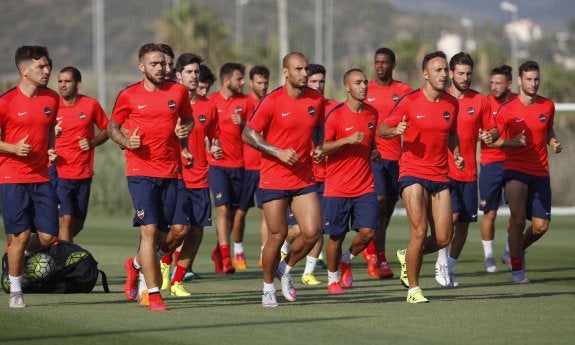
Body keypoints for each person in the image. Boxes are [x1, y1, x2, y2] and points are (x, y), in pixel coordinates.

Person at [107, 43, 194, 311]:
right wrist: (126, 141)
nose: (161, 68)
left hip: (172, 171)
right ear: (142, 66)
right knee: (150, 230)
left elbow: (188, 120)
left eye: (164, 64)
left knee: (179, 232)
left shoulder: (178, 92)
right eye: (155, 64)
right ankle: (153, 293)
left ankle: (135, 265)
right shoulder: (129, 95)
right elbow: (112, 127)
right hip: (140, 171)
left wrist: (184, 133)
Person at [378, 51, 463, 303]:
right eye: (438, 70)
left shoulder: (452, 104)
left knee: (443, 238)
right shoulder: (409, 101)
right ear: (425, 74)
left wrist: (456, 152)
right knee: (419, 231)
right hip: (412, 173)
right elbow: (382, 129)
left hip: (440, 175)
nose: (444, 74)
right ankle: (414, 290)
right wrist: (396, 130)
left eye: (445, 69)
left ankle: (408, 255)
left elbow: (451, 133)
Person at [242, 52, 324, 308]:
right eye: (298, 69)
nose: (304, 74)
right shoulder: (272, 101)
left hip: (303, 178)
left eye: (306, 69)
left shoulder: (317, 100)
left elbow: (319, 125)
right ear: (286, 72)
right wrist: (277, 151)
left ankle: (285, 269)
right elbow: (247, 134)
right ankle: (267, 288)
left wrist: (319, 146)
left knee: (312, 233)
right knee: (276, 238)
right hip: (274, 179)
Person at [490, 60, 562, 283]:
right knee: (518, 220)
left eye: (536, 79)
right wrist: (508, 141)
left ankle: (512, 252)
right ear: (520, 81)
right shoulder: (507, 110)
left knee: (541, 227)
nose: (533, 83)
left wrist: (553, 142)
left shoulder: (547, 105)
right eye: (529, 79)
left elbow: (548, 128)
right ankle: (518, 272)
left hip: (540, 171)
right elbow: (496, 140)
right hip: (515, 170)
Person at [0, 45, 60, 308]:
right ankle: (15, 290)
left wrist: (50, 148)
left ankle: (17, 253)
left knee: (47, 236)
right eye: (41, 67)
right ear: (24, 70)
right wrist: (12, 148)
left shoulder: (52, 99)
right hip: (12, 177)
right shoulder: (5, 102)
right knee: (22, 233)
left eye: (48, 66)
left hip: (41, 176)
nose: (47, 71)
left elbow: (48, 129)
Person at [434, 52, 498, 287]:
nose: (465, 77)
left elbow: (494, 130)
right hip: (443, 172)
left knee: (463, 224)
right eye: (460, 73)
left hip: (469, 173)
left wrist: (489, 134)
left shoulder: (480, 101)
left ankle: (450, 267)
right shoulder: (439, 99)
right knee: (449, 219)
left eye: (468, 73)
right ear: (451, 74)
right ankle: (440, 263)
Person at [163, 52, 222, 296]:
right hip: (174, 176)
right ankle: (162, 261)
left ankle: (177, 282)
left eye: (197, 72)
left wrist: (216, 146)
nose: (194, 76)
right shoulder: (168, 102)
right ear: (178, 75)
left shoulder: (209, 105)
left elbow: (214, 135)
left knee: (196, 231)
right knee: (179, 230)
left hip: (200, 177)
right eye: (189, 72)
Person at [322, 68, 379, 295]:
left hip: (365, 185)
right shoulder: (335, 115)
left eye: (365, 82)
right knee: (336, 236)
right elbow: (323, 147)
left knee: (368, 233)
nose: (363, 86)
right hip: (337, 187)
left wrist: (374, 152)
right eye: (358, 83)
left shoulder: (373, 113)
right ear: (347, 87)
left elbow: (371, 142)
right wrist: (346, 140)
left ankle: (347, 259)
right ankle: (332, 279)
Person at [284, 63, 338, 286]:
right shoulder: (298, 104)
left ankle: (308, 271)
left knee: (318, 228)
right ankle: (282, 248)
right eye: (313, 81)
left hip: (327, 177)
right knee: (295, 229)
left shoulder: (334, 108)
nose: (318, 85)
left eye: (321, 81)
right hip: (300, 177)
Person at [364, 47, 413, 279]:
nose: (380, 66)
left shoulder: (403, 91)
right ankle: (378, 258)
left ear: (393, 65)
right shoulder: (367, 90)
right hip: (374, 158)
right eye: (377, 62)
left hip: (397, 159)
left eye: (384, 62)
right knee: (380, 203)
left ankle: (372, 247)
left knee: (387, 209)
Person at [208, 62, 254, 274]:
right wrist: (210, 148)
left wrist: (244, 123)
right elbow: (202, 132)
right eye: (239, 78)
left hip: (240, 166)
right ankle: (227, 259)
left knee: (233, 215)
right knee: (223, 209)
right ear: (226, 81)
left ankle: (219, 251)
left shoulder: (246, 102)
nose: (243, 82)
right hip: (217, 166)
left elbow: (257, 130)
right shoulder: (211, 102)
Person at [53, 66, 109, 242]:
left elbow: (107, 129)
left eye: (67, 81)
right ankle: (66, 264)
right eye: (60, 81)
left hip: (83, 173)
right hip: (59, 173)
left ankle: (48, 248)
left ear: (78, 84)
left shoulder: (90, 104)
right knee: (66, 220)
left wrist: (92, 142)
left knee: (77, 223)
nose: (63, 85)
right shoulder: (51, 106)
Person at [232, 65, 270, 270]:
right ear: (252, 82)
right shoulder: (244, 102)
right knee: (240, 213)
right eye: (259, 82)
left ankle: (265, 254)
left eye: (265, 82)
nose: (263, 86)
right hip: (247, 167)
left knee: (267, 213)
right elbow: (244, 130)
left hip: (266, 167)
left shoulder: (270, 101)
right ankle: (238, 250)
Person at [479, 65, 517, 272]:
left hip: (514, 164)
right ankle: (489, 257)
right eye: (491, 83)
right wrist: (509, 142)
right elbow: (480, 135)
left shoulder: (518, 102)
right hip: (490, 164)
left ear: (509, 84)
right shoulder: (484, 103)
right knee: (490, 214)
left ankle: (509, 253)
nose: (493, 87)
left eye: (498, 83)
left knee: (517, 213)